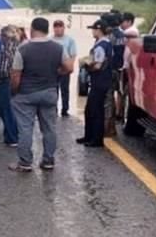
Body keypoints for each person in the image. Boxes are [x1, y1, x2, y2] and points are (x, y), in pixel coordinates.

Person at [10, 17, 75, 172]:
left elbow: (15, 75)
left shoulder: (23, 49)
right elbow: (69, 67)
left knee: (25, 129)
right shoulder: (58, 48)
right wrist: (57, 72)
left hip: (26, 94)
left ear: (32, 29)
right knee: (49, 128)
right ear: (47, 30)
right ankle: (48, 161)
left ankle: (25, 163)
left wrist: (14, 91)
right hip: (49, 92)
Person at [78, 18, 114, 148]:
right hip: (103, 81)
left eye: (93, 29)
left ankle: (96, 139)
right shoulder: (107, 43)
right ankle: (89, 136)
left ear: (99, 30)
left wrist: (86, 65)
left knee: (95, 111)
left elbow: (98, 65)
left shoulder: (101, 46)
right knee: (90, 110)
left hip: (99, 81)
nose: (92, 31)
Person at [0, 25, 21, 146]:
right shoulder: (20, 45)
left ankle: (12, 137)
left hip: (5, 80)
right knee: (13, 109)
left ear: (5, 36)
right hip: (16, 80)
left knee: (6, 109)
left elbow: (4, 67)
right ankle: (11, 135)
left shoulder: (5, 47)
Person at [52, 20, 78, 117]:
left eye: (60, 26)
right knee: (53, 90)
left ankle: (65, 109)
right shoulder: (50, 40)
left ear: (63, 28)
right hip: (53, 69)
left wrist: (70, 67)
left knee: (65, 90)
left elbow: (73, 55)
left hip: (65, 68)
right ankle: (54, 109)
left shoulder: (70, 40)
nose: (58, 29)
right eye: (56, 27)